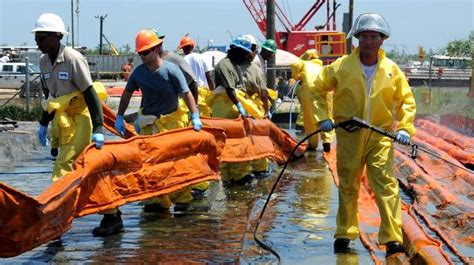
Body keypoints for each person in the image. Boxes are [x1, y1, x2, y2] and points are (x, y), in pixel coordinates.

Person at [313, 13, 416, 257]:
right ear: (357, 39)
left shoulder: (392, 70)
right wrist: (324, 118)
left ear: (382, 40)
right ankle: (344, 233)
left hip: (379, 136)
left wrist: (404, 128)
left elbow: (406, 101)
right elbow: (316, 90)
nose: (369, 41)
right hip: (350, 135)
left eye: (374, 36)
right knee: (348, 185)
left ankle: (392, 238)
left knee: (385, 185)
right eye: (365, 36)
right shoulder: (341, 66)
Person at [32, 13, 110, 235]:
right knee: (83, 171)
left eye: (42, 37)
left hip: (81, 118)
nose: (38, 42)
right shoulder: (43, 61)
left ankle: (58, 218)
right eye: (37, 38)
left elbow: (90, 93)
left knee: (64, 167)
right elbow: (50, 96)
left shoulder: (73, 59)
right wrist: (44, 123)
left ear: (56, 36)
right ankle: (112, 215)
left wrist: (99, 129)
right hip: (61, 120)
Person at [114, 29, 203, 217]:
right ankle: (156, 200)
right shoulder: (138, 73)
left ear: (157, 49)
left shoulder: (171, 70)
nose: (143, 56)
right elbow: (127, 94)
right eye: (140, 53)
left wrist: (195, 115)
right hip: (149, 125)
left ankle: (182, 198)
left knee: (175, 163)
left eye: (146, 52)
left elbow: (186, 93)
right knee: (150, 164)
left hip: (171, 124)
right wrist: (120, 116)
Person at [211, 35, 254, 183]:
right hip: (225, 107)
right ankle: (227, 176)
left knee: (238, 142)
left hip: (232, 106)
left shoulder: (234, 64)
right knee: (227, 143)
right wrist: (239, 106)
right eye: (244, 53)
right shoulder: (224, 65)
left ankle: (238, 174)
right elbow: (230, 89)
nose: (246, 57)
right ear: (236, 50)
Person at [291, 49, 334, 152]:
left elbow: (295, 64)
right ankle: (327, 141)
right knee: (327, 116)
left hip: (311, 92)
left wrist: (305, 54)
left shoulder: (305, 64)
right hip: (327, 92)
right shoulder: (323, 67)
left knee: (311, 120)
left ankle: (313, 144)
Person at [179, 35, 215, 117]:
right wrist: (213, 92)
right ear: (193, 46)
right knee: (206, 118)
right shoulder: (203, 57)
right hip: (205, 93)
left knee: (193, 118)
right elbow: (209, 76)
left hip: (191, 94)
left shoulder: (183, 60)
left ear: (183, 48)